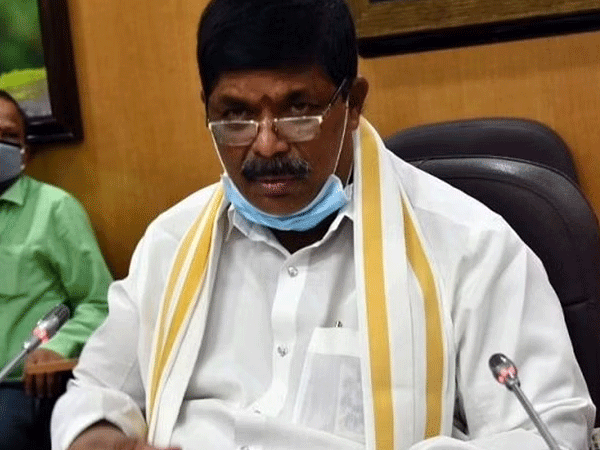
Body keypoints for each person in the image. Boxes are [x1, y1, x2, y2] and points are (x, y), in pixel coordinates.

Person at [51, 1, 594, 449]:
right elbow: (96, 391)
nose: (266, 143)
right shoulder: (171, 244)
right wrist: (101, 437)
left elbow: (550, 434)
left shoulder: (472, 246)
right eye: (236, 115)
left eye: (298, 110)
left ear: (353, 104)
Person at [0, 90, 112, 450]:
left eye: (7, 136)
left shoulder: (54, 210)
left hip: (19, 386)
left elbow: (99, 302)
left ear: (26, 151)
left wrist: (58, 348)